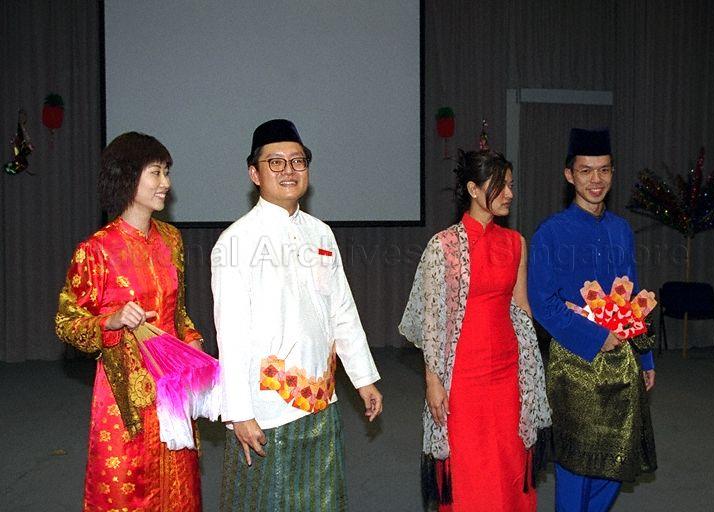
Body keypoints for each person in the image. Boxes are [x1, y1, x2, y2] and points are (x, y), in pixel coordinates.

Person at [212, 119, 383, 510]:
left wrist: (363, 378)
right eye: (275, 163)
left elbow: (341, 309)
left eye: (298, 161)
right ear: (254, 173)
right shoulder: (236, 241)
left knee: (321, 502)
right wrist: (239, 412)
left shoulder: (321, 233)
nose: (289, 170)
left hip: (323, 399)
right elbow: (232, 333)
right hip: (266, 409)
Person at [55, 132, 204, 511]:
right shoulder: (96, 250)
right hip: (124, 396)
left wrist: (193, 341)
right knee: (129, 490)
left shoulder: (171, 240)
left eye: (166, 172)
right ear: (127, 178)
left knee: (178, 484)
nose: (166, 184)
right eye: (156, 173)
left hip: (173, 385)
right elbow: (67, 323)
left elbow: (178, 311)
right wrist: (112, 320)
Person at [399, 150, 551, 511]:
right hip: (464, 377)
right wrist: (433, 381)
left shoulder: (515, 243)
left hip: (509, 373)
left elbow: (521, 308)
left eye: (511, 185)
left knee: (510, 462)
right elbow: (432, 322)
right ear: (472, 188)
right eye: (500, 185)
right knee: (472, 469)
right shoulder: (444, 247)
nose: (509, 194)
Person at [528, 128, 657, 512]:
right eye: (586, 171)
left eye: (603, 170)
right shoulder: (550, 233)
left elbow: (633, 300)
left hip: (622, 363)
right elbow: (543, 302)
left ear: (613, 173)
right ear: (570, 175)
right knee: (576, 464)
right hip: (575, 364)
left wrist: (646, 358)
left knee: (615, 460)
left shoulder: (620, 230)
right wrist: (594, 336)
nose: (595, 180)